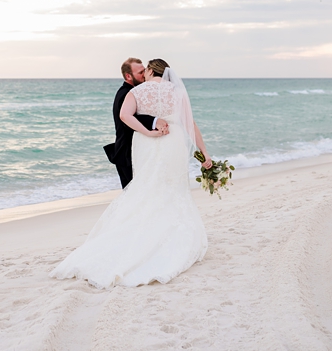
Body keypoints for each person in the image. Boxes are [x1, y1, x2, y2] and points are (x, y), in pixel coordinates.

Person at [51, 58, 213, 288]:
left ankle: (142, 233)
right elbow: (190, 124)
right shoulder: (177, 92)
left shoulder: (137, 92)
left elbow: (125, 116)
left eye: (144, 70)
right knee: (172, 187)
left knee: (147, 186)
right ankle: (166, 235)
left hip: (146, 143)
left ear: (149, 71)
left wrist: (147, 131)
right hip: (173, 143)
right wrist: (204, 153)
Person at [104, 58, 170, 188]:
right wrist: (154, 121)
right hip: (127, 154)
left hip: (137, 151)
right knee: (132, 196)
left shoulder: (140, 92)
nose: (144, 75)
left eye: (145, 71)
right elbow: (128, 118)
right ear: (128, 76)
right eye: (140, 72)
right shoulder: (125, 93)